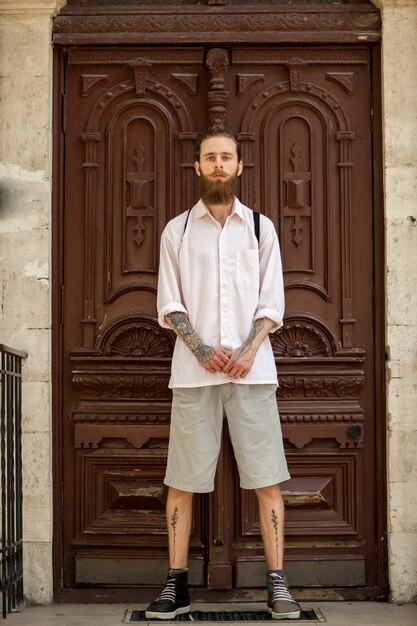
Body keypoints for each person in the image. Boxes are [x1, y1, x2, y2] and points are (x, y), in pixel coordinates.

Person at [146, 131, 300, 621]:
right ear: (196, 167)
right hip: (194, 377)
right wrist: (203, 350)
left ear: (239, 166)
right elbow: (169, 304)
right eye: (210, 157)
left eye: (225, 157)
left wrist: (250, 349)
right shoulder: (177, 232)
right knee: (182, 482)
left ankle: (278, 585)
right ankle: (176, 586)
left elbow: (272, 301)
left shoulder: (260, 228)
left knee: (267, 479)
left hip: (253, 376)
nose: (218, 165)